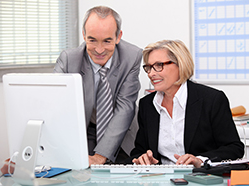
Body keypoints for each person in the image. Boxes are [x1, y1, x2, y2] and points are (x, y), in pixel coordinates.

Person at [130, 39, 244, 168]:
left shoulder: (212, 99)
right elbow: (139, 151)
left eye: (159, 65)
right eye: (149, 67)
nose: (151, 73)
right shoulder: (147, 105)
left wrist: (200, 160)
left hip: (200, 177)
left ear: (180, 64)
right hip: (160, 178)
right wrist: (142, 158)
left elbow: (234, 148)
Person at [54, 6, 142, 165]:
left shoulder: (132, 56)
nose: (99, 50)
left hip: (121, 136)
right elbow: (56, 107)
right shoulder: (68, 60)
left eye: (107, 41)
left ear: (118, 37)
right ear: (84, 35)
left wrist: (101, 156)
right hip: (83, 132)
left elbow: (125, 107)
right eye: (92, 40)